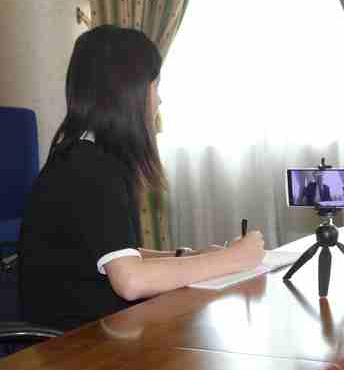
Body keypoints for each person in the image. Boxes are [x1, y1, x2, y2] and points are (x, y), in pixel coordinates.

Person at [18, 25, 265, 331]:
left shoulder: (86, 155)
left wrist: (186, 256)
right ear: (129, 93)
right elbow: (131, 280)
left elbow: (113, 251)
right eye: (155, 86)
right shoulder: (88, 168)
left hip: (101, 329)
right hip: (72, 344)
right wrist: (236, 259)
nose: (159, 100)